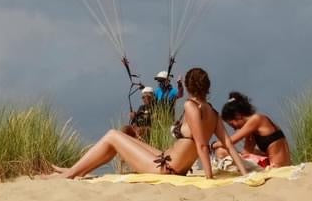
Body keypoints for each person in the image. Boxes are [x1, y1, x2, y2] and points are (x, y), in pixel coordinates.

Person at [53, 68, 249, 179]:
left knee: (113, 135)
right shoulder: (213, 112)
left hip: (165, 168)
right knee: (119, 138)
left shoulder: (191, 107)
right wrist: (244, 174)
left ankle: (68, 174)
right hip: (166, 159)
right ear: (207, 87)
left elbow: (201, 145)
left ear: (189, 88)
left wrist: (209, 178)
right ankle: (76, 171)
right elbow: (229, 145)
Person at [214, 91, 292, 168]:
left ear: (238, 116)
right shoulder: (253, 129)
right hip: (274, 164)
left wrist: (211, 145)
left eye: (232, 124)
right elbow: (247, 152)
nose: (234, 129)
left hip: (277, 167)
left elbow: (230, 141)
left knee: (221, 151)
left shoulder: (257, 119)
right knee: (226, 151)